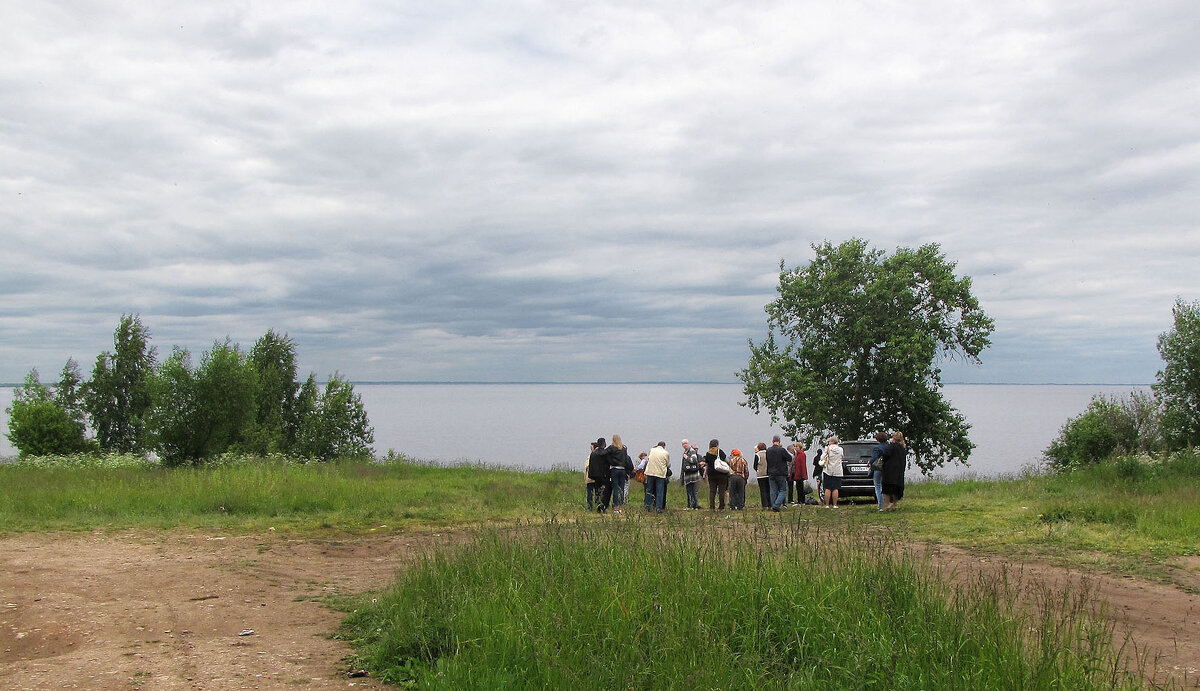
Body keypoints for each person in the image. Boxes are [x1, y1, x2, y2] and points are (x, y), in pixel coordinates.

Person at [881, 431, 908, 511]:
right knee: (896, 488)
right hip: (899, 471)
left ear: (894, 438)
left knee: (887, 488)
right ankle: (895, 505)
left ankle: (887, 505)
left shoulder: (891, 446)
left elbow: (885, 455)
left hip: (890, 470)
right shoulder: (903, 448)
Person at [608, 434, 634, 514]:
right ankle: (620, 507)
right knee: (621, 489)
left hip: (614, 469)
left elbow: (606, 456)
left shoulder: (611, 448)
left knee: (615, 488)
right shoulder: (623, 449)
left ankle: (615, 507)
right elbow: (626, 460)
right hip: (622, 470)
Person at [766, 435, 791, 512]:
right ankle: (776, 505)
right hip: (780, 472)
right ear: (779, 442)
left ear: (772, 441)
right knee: (783, 490)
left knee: (773, 490)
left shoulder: (768, 450)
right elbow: (789, 458)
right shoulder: (781, 450)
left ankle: (774, 505)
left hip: (771, 472)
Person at [588, 437, 612, 513]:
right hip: (604, 475)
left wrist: (591, 475)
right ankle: (603, 507)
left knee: (597, 491)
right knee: (606, 491)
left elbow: (591, 465)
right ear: (604, 444)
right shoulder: (605, 453)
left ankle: (598, 505)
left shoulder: (593, 454)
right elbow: (610, 462)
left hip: (596, 476)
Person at [645, 441, 670, 513]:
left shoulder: (652, 450)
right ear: (664, 446)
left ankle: (648, 507)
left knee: (649, 490)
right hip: (660, 474)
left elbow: (649, 458)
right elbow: (667, 464)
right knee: (660, 491)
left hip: (650, 472)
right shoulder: (666, 453)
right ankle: (658, 508)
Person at [705, 439, 729, 511]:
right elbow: (725, 459)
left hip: (711, 475)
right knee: (721, 491)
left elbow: (706, 462)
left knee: (712, 491)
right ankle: (721, 506)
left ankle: (712, 506)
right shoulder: (719, 451)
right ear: (717, 444)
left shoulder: (708, 453)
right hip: (721, 474)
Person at [868, 432, 890, 511]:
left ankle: (881, 505)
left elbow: (874, 458)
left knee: (877, 486)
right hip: (887, 468)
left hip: (878, 468)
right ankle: (887, 503)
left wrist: (869, 462)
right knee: (885, 486)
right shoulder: (889, 447)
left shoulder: (877, 448)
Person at [821, 436, 844, 508]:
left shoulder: (828, 448)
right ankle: (835, 504)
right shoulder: (840, 449)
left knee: (828, 488)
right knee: (835, 488)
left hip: (828, 470)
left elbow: (822, 458)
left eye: (829, 441)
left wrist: (826, 453)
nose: (828, 442)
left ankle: (827, 505)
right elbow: (842, 457)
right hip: (837, 470)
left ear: (832, 442)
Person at [680, 440, 702, 509]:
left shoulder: (691, 451)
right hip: (688, 476)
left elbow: (694, 460)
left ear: (688, 443)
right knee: (690, 491)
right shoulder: (686, 452)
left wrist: (686, 457)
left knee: (691, 491)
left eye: (686, 443)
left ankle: (691, 505)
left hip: (692, 476)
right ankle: (694, 505)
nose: (684, 445)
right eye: (683, 444)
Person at [754, 442, 770, 510]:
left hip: (760, 475)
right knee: (769, 490)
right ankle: (770, 504)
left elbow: (755, 466)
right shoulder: (768, 453)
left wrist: (758, 470)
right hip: (768, 474)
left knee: (763, 490)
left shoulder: (757, 455)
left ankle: (764, 505)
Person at [585, 441, 597, 511]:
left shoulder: (591, 456)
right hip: (596, 477)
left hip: (590, 477)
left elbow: (587, 466)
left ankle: (590, 507)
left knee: (590, 493)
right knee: (596, 493)